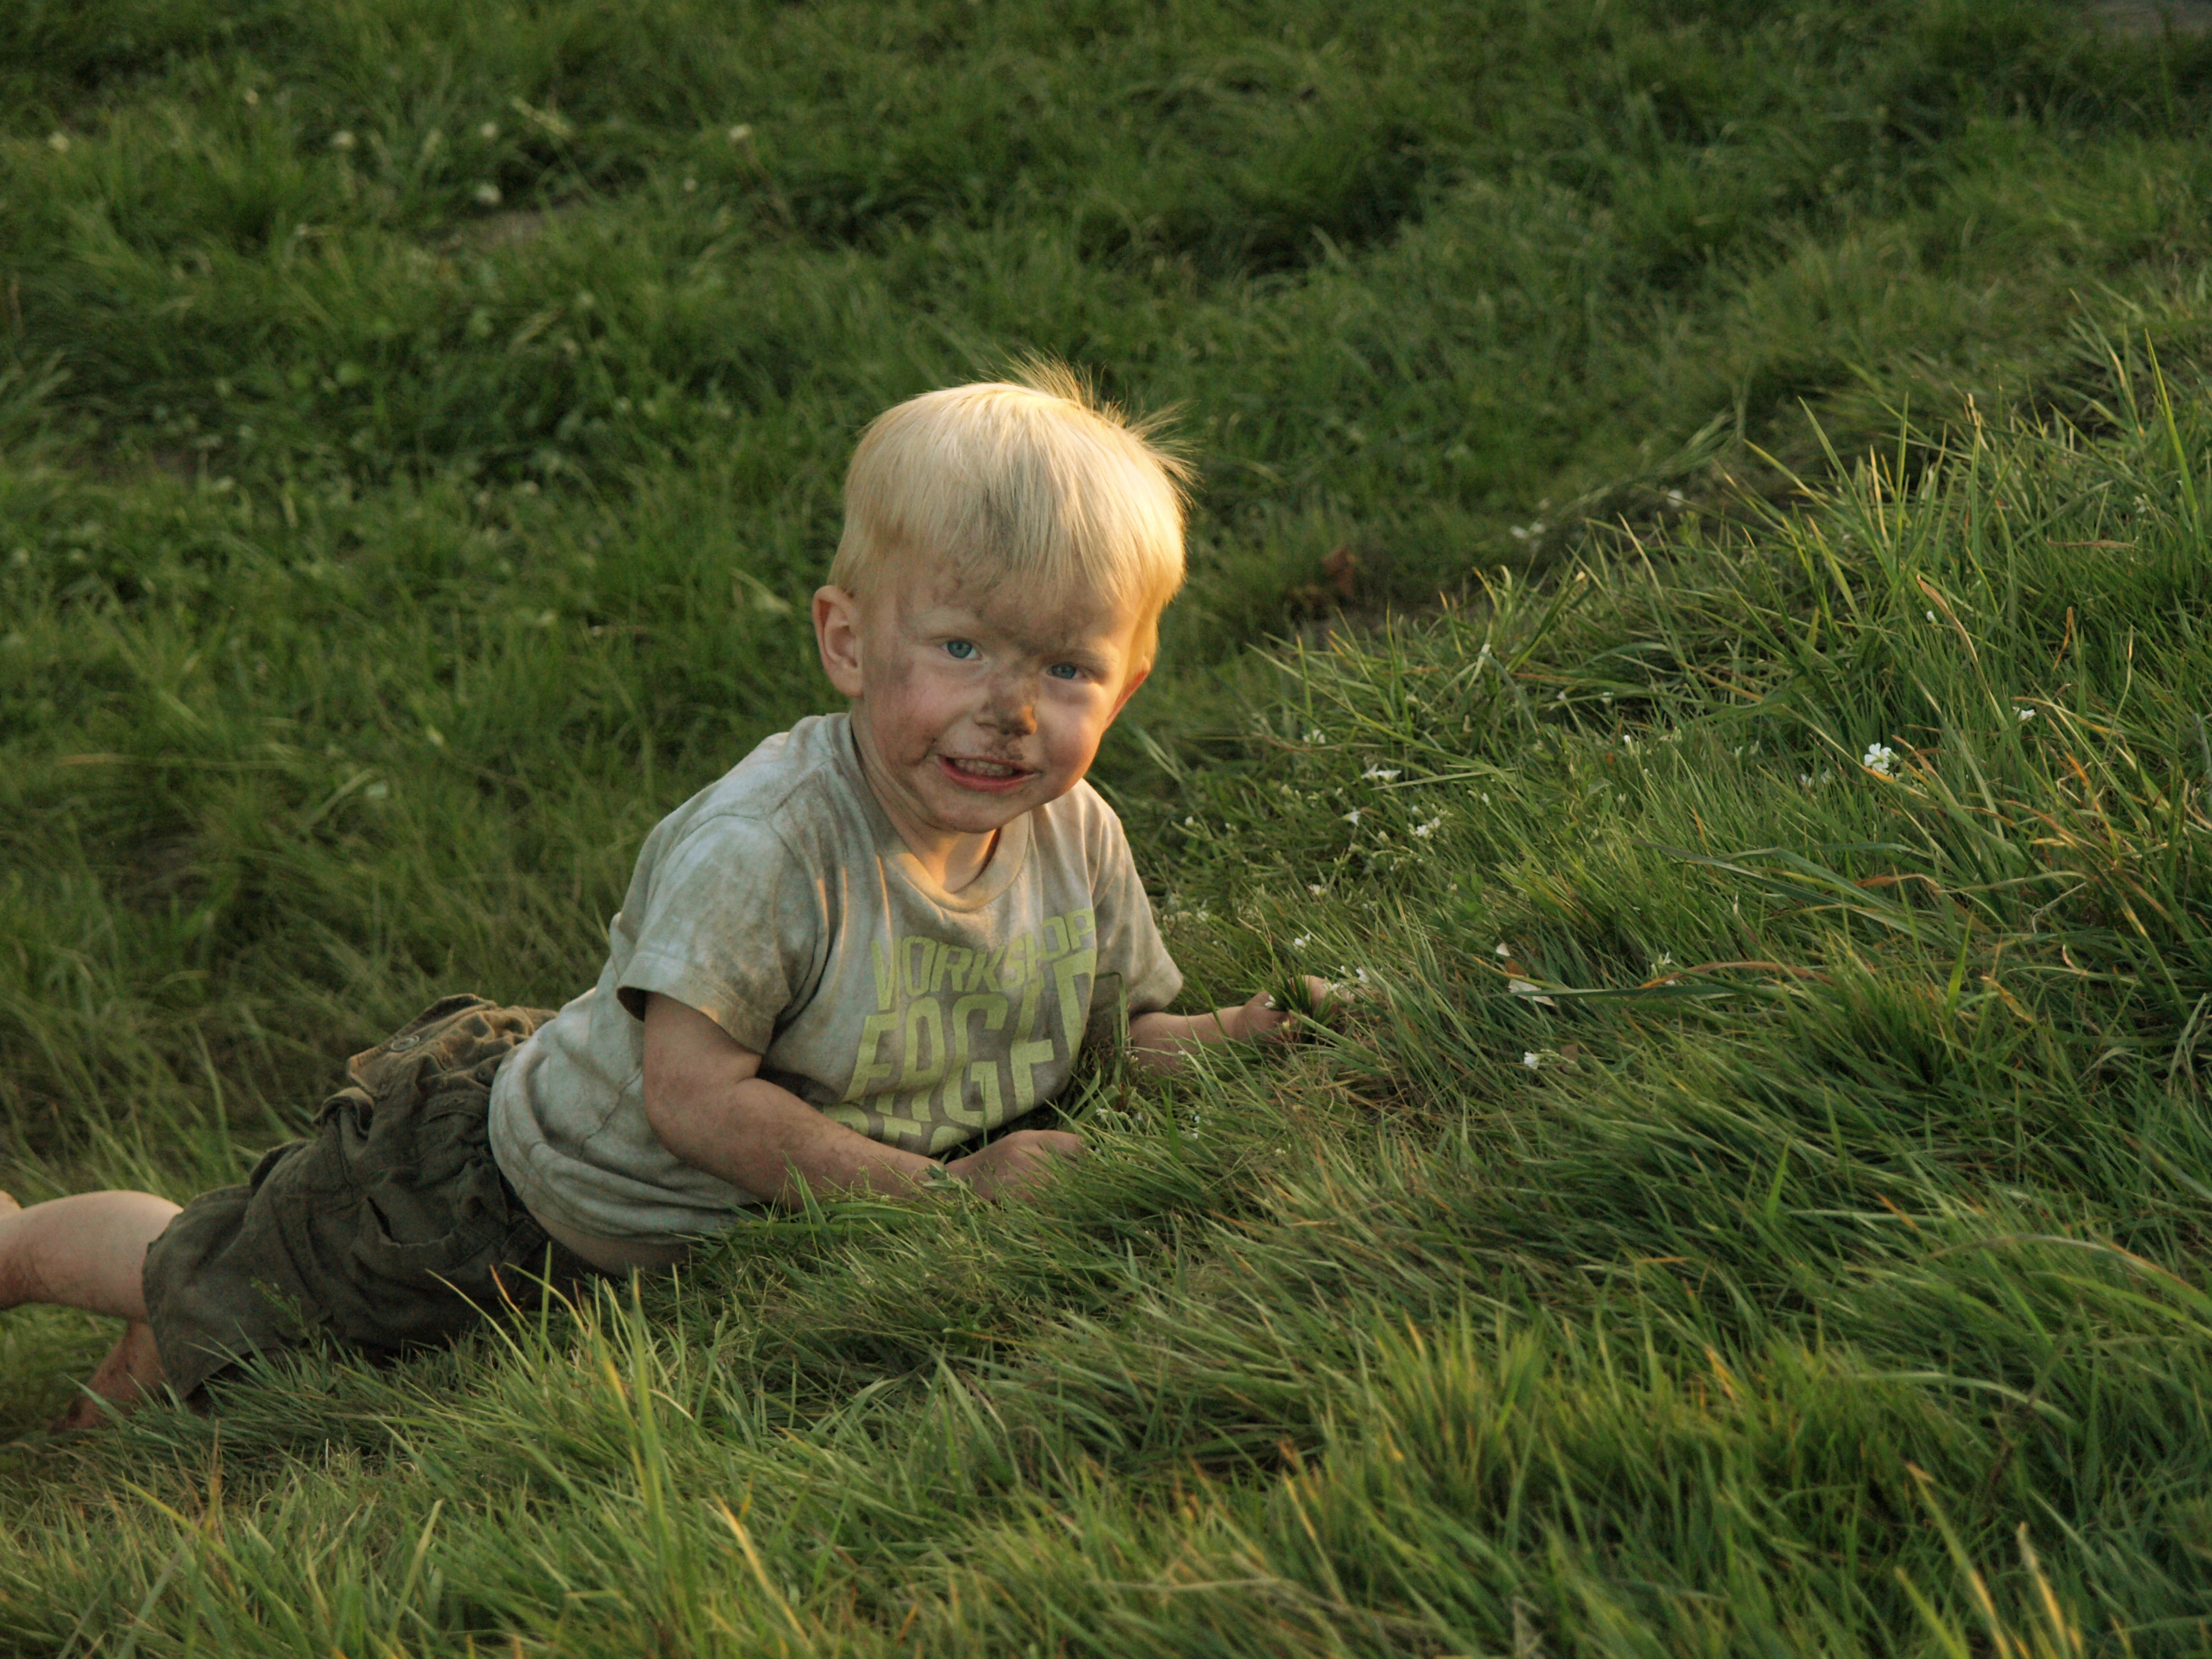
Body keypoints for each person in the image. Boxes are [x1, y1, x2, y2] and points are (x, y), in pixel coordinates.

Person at [0, 365, 1324, 1430]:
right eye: (963, 646)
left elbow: (1120, 1037)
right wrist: (953, 1196)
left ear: (1132, 682)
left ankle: (154, 1338)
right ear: (848, 641)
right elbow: (694, 1102)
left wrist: (1240, 1041)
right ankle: (22, 1252)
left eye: (1068, 666)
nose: (1009, 710)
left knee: (248, 1340)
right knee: (223, 1287)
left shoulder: (1077, 840)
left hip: (664, 1238)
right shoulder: (771, 846)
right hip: (504, 1192)